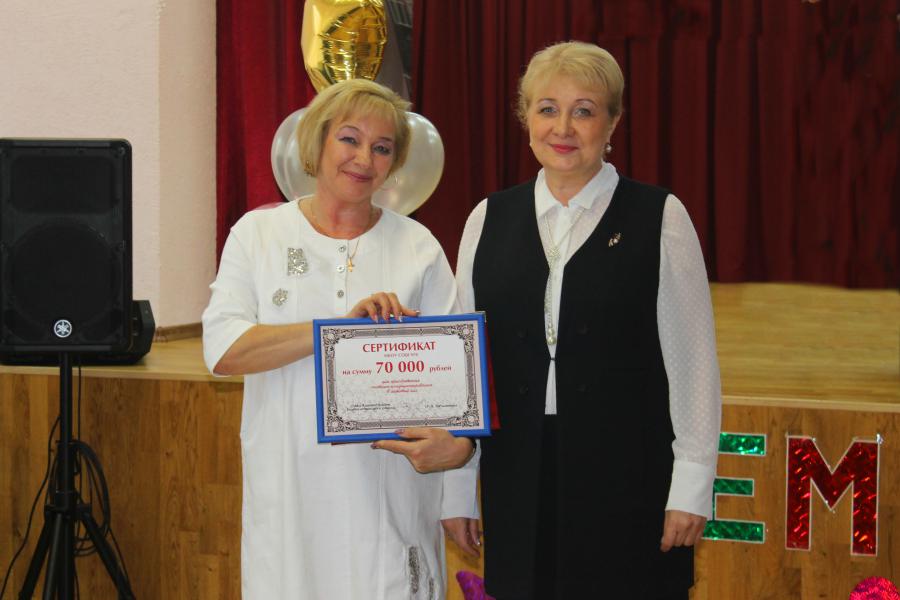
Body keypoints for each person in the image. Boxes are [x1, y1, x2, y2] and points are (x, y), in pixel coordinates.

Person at [455, 41, 722, 599]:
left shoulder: (660, 216)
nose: (563, 127)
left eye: (584, 110)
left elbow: (693, 363)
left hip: (629, 475)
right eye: (547, 108)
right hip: (516, 475)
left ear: (613, 122)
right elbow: (465, 371)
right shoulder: (487, 218)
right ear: (526, 118)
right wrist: (456, 489)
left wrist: (691, 485)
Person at [202, 78, 479, 599]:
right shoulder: (258, 235)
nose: (364, 159)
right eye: (350, 139)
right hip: (290, 497)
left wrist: (458, 478)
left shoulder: (417, 246)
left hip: (392, 495)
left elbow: (457, 388)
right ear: (318, 141)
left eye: (382, 148)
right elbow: (223, 349)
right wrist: (336, 333)